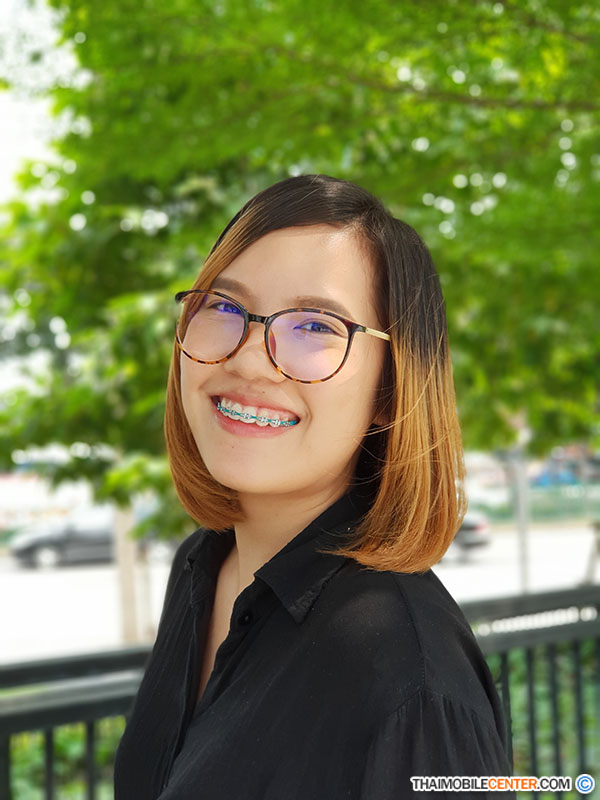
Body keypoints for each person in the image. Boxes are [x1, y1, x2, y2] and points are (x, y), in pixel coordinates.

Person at [114, 174, 515, 799]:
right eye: (223, 307)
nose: (249, 358)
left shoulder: (412, 678)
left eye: (316, 326)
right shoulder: (201, 566)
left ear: (389, 391)